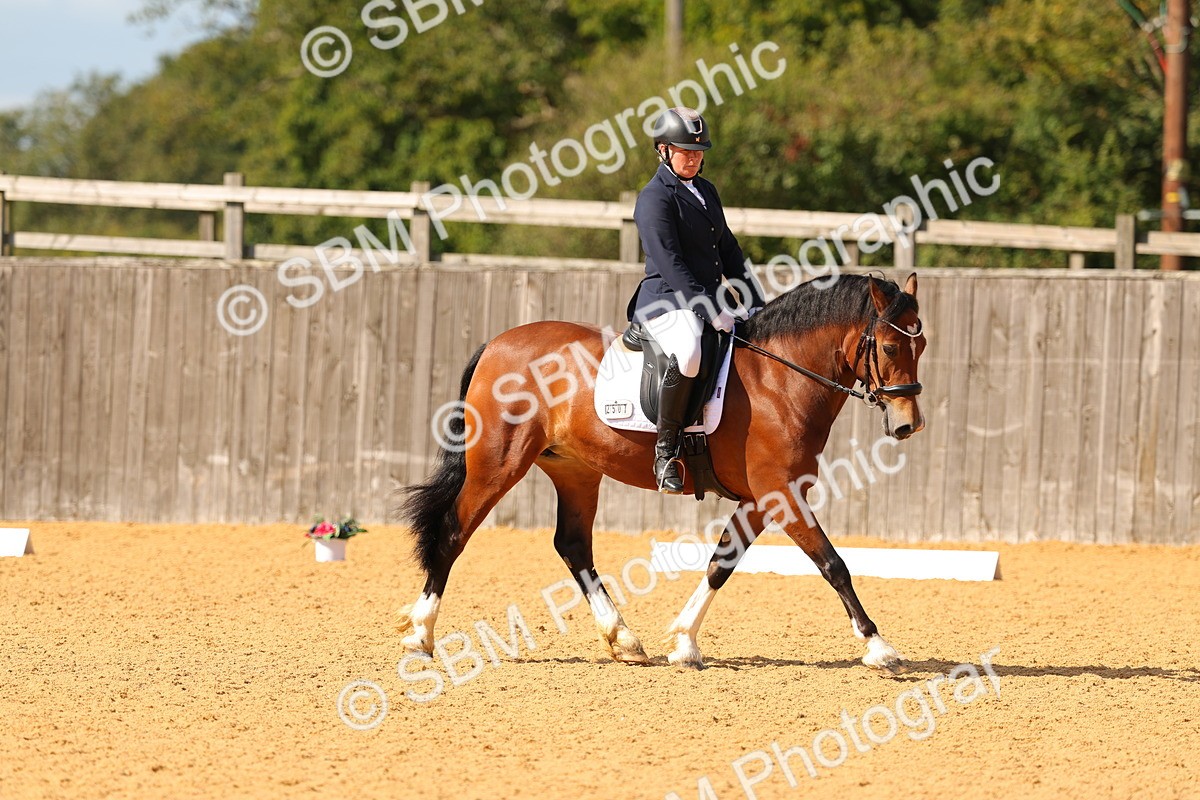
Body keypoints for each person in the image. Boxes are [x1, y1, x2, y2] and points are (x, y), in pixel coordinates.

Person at [626, 106, 765, 493]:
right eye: (686, 151)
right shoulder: (653, 199)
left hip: (709, 299)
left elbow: (729, 249)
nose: (694, 158)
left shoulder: (706, 191)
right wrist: (708, 308)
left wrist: (754, 300)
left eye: (699, 151)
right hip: (666, 301)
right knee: (688, 351)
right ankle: (665, 451)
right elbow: (670, 262)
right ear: (663, 151)